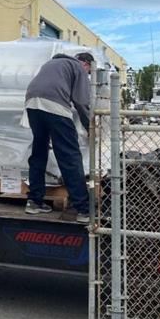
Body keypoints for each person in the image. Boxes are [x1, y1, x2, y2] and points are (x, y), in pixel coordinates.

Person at [23, 52, 93, 223]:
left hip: (32, 103)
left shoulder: (51, 64)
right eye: (89, 71)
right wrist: (90, 126)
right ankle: (83, 210)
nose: (88, 75)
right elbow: (81, 101)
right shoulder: (78, 67)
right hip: (54, 105)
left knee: (39, 151)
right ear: (86, 63)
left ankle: (34, 202)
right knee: (69, 155)